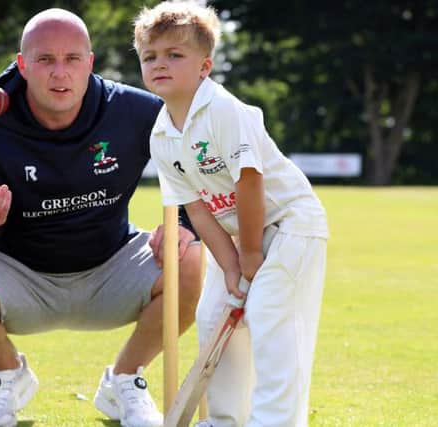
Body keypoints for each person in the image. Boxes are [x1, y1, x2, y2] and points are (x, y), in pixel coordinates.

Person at [0, 8, 203, 427]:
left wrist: (185, 226)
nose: (60, 73)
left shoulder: (133, 110)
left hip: (111, 266)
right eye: (45, 60)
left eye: (73, 59)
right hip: (22, 276)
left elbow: (198, 167)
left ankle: (125, 380)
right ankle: (8, 374)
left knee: (192, 259)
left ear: (90, 62)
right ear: (22, 65)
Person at [133, 2, 329, 426]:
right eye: (150, 56)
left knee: (268, 315)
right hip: (237, 239)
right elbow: (197, 210)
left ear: (204, 66)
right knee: (213, 315)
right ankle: (224, 420)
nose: (159, 64)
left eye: (174, 55)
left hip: (290, 225)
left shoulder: (223, 110)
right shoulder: (162, 135)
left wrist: (252, 254)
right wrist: (231, 266)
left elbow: (249, 182)